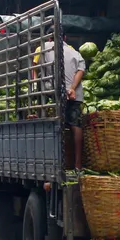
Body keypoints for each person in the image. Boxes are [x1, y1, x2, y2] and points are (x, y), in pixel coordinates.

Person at [32, 27, 86, 169]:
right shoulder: (75, 52)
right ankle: (78, 164)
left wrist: (35, 88)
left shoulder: (42, 48)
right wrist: (72, 88)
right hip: (73, 95)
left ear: (49, 38)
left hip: (52, 94)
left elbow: (35, 67)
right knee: (76, 125)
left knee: (54, 126)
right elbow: (81, 70)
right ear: (65, 38)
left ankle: (54, 163)